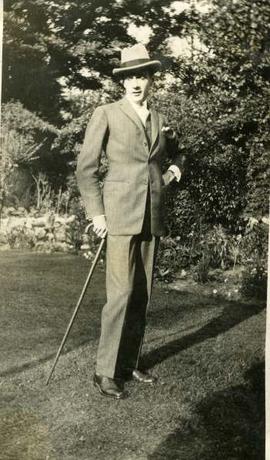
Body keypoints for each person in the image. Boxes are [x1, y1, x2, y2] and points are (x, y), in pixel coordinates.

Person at [76, 43, 185, 399]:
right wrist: (97, 214)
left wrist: (172, 171)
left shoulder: (157, 118)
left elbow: (170, 155)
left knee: (142, 294)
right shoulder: (105, 113)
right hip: (119, 216)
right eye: (130, 77)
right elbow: (86, 169)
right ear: (121, 82)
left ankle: (129, 362)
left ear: (151, 79)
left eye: (143, 75)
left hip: (151, 214)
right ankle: (104, 371)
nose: (136, 82)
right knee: (120, 294)